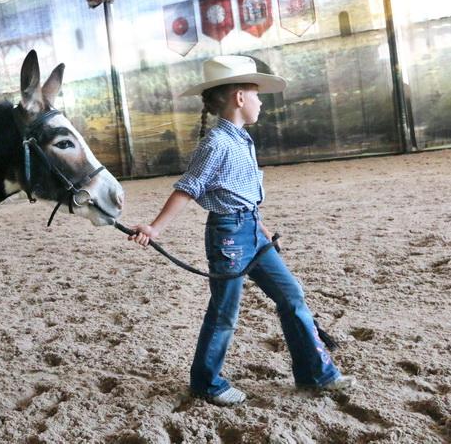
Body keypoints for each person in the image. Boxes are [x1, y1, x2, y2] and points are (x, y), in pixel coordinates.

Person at [128, 55, 355, 406]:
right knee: (224, 311)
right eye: (256, 94)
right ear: (239, 98)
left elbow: (239, 192)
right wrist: (155, 228)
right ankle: (206, 382)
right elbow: (189, 187)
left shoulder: (240, 139)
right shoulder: (216, 143)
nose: (261, 101)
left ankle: (315, 373)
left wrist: (259, 226)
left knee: (291, 295)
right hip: (229, 237)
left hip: (250, 230)